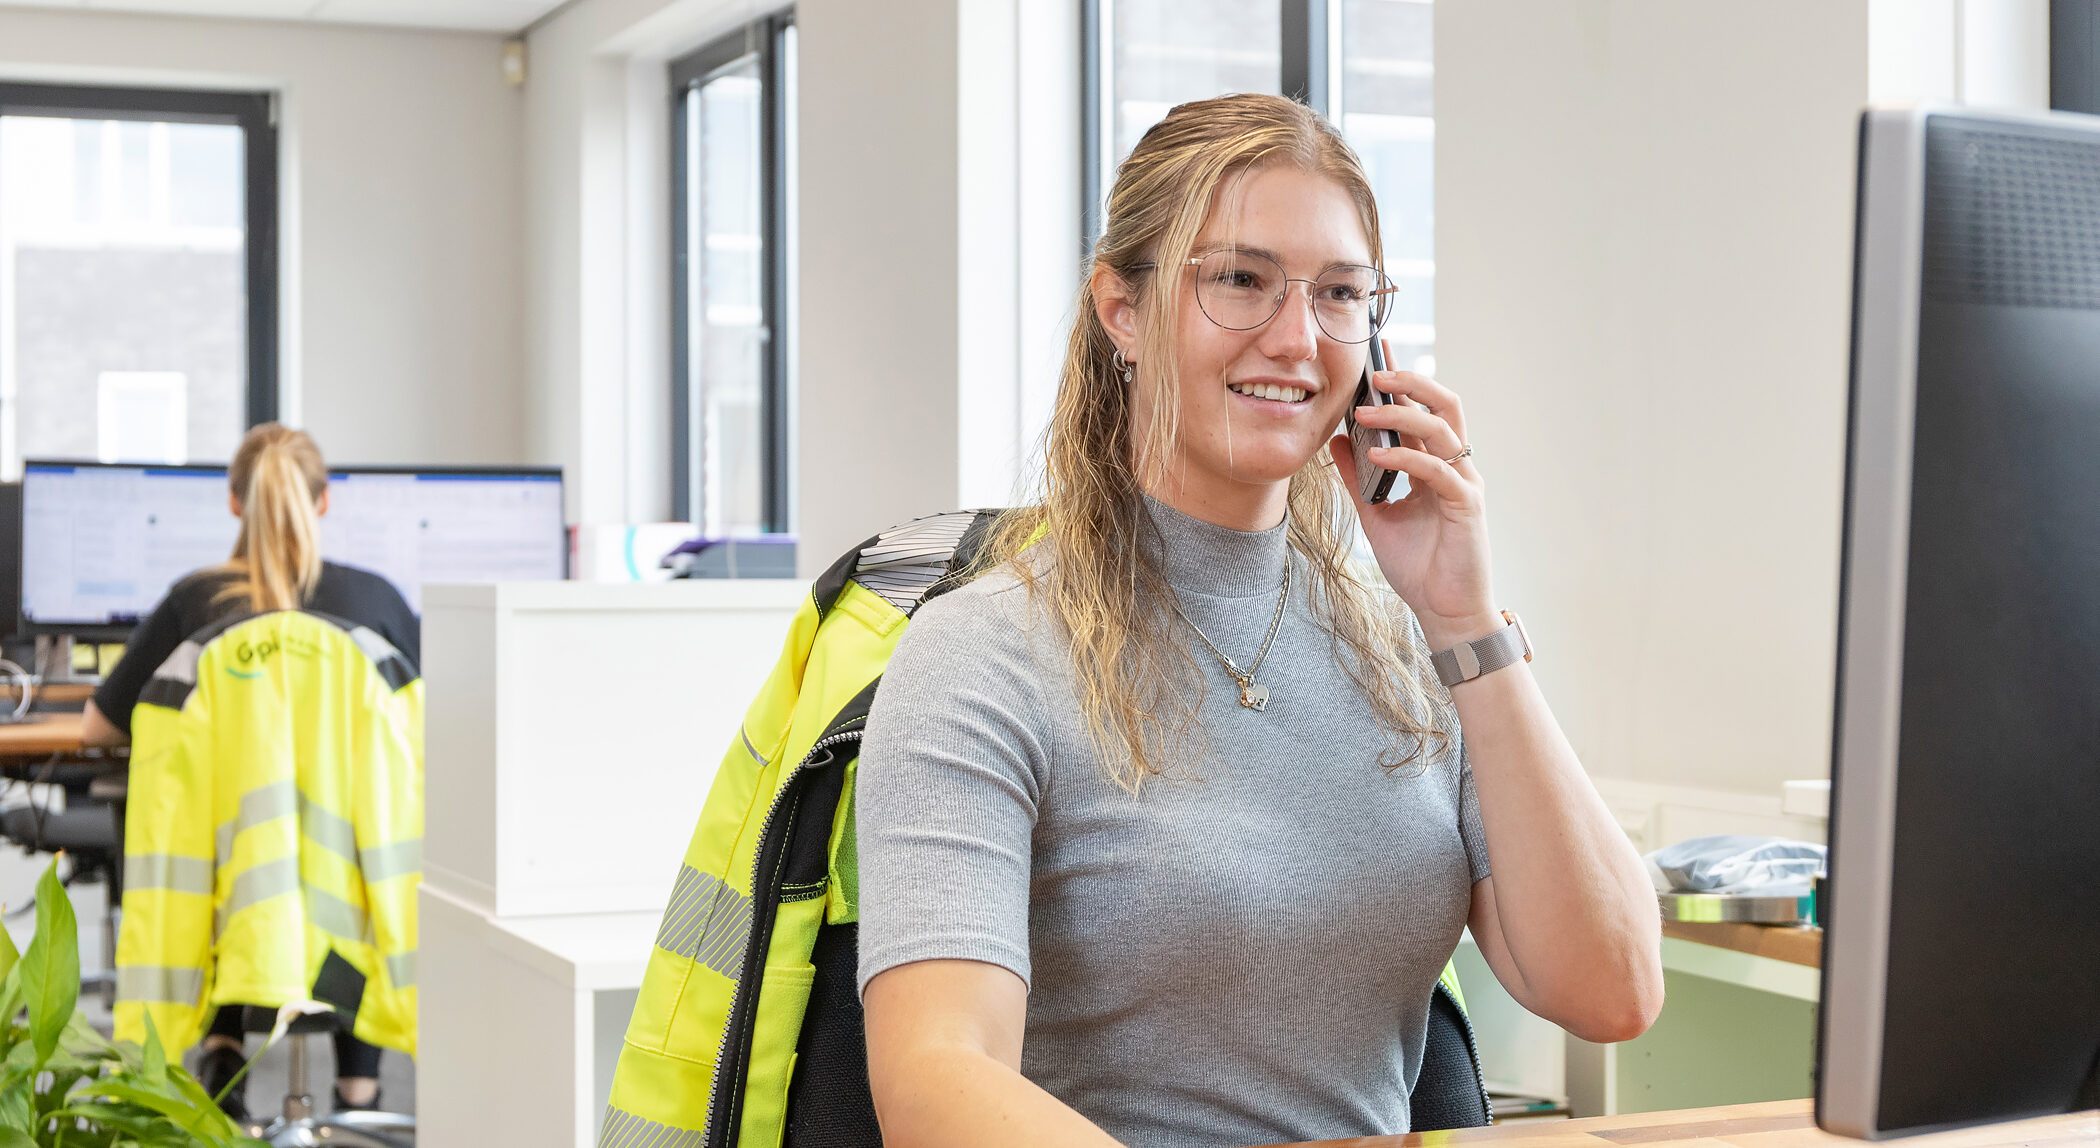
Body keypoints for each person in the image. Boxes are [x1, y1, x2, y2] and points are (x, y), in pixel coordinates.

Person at [854, 94, 1666, 1148]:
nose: (1297, 339)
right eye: (1241, 280)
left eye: (1340, 293)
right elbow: (933, 1082)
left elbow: (1613, 989)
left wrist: (1463, 618)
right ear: (1123, 310)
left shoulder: (1409, 650)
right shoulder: (983, 654)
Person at [83, 422, 419, 1121]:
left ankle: (223, 1056)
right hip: (350, 909)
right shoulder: (377, 603)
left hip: (233, 912)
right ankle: (359, 1095)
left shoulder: (194, 601)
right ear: (323, 501)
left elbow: (97, 728)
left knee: (228, 860)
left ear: (234, 502)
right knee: (347, 865)